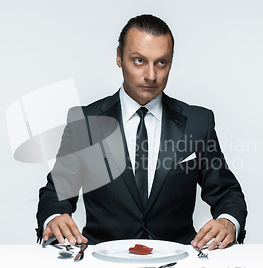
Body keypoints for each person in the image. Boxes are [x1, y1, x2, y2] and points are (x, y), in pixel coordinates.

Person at [36, 14, 247, 250]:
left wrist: (228, 222)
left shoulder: (198, 122)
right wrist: (55, 217)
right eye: (138, 61)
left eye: (161, 62)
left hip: (177, 261)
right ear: (119, 57)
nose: (150, 75)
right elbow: (56, 192)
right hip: (102, 261)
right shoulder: (85, 121)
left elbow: (227, 192)